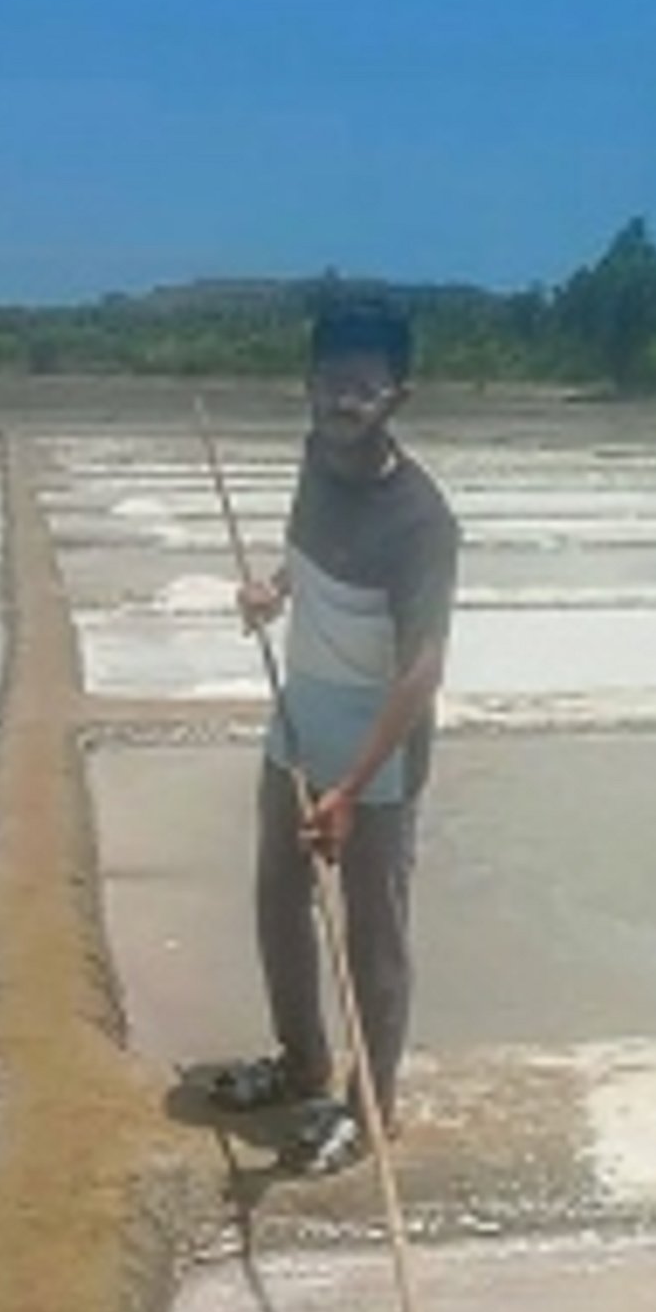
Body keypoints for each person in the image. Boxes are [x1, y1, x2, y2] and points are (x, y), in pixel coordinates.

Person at [211, 296, 461, 1172]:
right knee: (278, 895)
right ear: (308, 386)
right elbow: (308, 554)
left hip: (378, 742)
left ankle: (371, 1106)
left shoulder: (423, 521)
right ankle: (302, 1061)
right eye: (329, 380)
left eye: (362, 384)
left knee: (371, 929)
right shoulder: (315, 460)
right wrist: (272, 591)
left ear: (399, 394)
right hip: (302, 710)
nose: (340, 399)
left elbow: (422, 672)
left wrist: (352, 788)